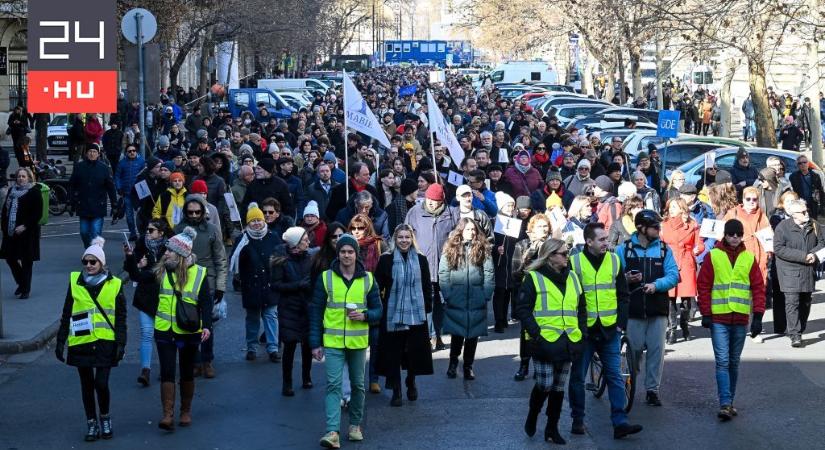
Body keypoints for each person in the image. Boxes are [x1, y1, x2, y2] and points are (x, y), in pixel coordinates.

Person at [567, 223, 643, 439]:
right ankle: (578, 419)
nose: (606, 243)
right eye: (601, 240)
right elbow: (570, 298)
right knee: (578, 377)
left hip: (610, 329)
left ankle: (620, 423)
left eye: (607, 239)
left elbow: (623, 294)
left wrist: (621, 324)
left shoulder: (614, 260)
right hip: (585, 331)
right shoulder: (575, 263)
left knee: (615, 377)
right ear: (588, 242)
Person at [309, 234, 382, 448]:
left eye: (350, 251)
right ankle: (332, 431)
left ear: (356, 254)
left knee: (358, 386)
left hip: (358, 342)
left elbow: (379, 310)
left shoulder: (368, 279)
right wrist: (315, 343)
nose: (346, 255)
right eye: (343, 252)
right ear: (338, 254)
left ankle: (355, 426)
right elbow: (316, 311)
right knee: (333, 385)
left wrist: (365, 315)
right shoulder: (326, 278)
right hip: (332, 341)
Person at [55, 237, 127, 441]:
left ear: (102, 263)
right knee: (86, 385)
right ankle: (91, 423)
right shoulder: (74, 282)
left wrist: (121, 343)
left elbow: (121, 317)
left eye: (92, 262)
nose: (88, 265)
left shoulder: (115, 284)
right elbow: (67, 312)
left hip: (105, 342)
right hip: (81, 342)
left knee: (101, 384)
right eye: (85, 262)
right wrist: (61, 342)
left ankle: (105, 417)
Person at [516, 239, 586, 445]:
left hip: (568, 341)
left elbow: (581, 308)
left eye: (568, 253)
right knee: (545, 384)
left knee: (558, 387)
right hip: (544, 342)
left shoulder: (573, 277)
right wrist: (537, 334)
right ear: (550, 256)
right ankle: (533, 414)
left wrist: (581, 333)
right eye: (563, 254)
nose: (567, 257)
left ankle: (551, 428)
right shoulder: (533, 278)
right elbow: (523, 309)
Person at [697, 219, 766, 420]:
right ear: (724, 235)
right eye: (731, 234)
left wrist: (758, 317)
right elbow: (704, 285)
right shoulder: (713, 256)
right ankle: (725, 403)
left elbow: (758, 288)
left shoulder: (748, 258)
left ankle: (730, 401)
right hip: (719, 318)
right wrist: (706, 313)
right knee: (723, 361)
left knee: (734, 362)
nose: (734, 238)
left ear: (741, 235)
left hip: (741, 319)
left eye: (738, 234)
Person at [616, 210, 679, 407]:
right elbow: (614, 278)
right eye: (655, 227)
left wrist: (656, 285)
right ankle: (630, 382)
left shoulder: (664, 250)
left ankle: (652, 390)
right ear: (641, 228)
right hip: (633, 310)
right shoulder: (623, 249)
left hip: (657, 309)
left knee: (656, 351)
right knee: (633, 351)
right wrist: (626, 279)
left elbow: (674, 275)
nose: (659, 231)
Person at [152, 227, 212, 431]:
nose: (165, 253)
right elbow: (146, 289)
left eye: (169, 250)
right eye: (166, 249)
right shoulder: (161, 270)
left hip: (189, 330)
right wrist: (131, 260)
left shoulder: (199, 273)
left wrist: (207, 326)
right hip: (164, 329)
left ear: (180, 253)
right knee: (167, 370)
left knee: (187, 371)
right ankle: (167, 414)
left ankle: (185, 411)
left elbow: (206, 302)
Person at [375, 224, 434, 406]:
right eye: (400, 237)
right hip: (393, 313)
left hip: (416, 314)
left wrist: (427, 307)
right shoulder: (386, 260)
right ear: (395, 239)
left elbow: (426, 285)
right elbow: (378, 287)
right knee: (394, 352)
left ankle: (411, 380)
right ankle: (396, 390)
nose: (404, 241)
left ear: (412, 239)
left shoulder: (421, 260)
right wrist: (380, 308)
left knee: (413, 352)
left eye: (407, 237)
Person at [176, 196, 228, 378]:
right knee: (188, 321)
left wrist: (221, 286)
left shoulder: (212, 230)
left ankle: (207, 360)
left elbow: (221, 259)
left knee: (207, 323)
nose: (194, 215)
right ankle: (195, 360)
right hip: (186, 280)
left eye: (197, 212)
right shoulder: (179, 229)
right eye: (190, 212)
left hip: (208, 280)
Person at [405, 183, 459, 350]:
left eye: (436, 201)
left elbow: (458, 235)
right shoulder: (414, 212)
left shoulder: (451, 213)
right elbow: (406, 235)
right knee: (426, 303)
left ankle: (439, 334)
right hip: (423, 266)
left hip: (445, 267)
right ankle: (431, 336)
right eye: (430, 200)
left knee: (442, 304)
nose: (432, 204)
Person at [439, 217, 494, 380]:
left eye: (473, 230)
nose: (471, 232)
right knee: (457, 333)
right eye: (468, 229)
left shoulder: (483, 248)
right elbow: (443, 274)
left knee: (473, 335)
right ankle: (453, 363)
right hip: (457, 297)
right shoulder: (450, 248)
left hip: (477, 298)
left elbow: (489, 273)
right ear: (461, 230)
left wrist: (486, 294)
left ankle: (468, 366)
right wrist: (448, 294)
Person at [230, 203, 281, 362]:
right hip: (251, 286)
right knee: (252, 318)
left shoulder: (273, 237)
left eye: (259, 220)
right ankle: (251, 347)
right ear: (248, 223)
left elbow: (281, 259)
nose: (257, 223)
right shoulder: (242, 240)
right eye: (253, 221)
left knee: (271, 316)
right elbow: (235, 263)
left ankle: (273, 348)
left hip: (270, 284)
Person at [123, 219, 170, 386]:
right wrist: (132, 259)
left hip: (165, 297)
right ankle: (145, 370)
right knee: (146, 333)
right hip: (145, 296)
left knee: (163, 336)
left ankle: (166, 368)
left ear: (161, 233)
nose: (148, 233)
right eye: (147, 230)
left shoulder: (170, 248)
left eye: (151, 230)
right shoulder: (142, 245)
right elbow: (132, 272)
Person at [773, 199, 825, 347]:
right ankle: (795, 334)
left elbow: (821, 243)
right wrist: (803, 256)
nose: (806, 213)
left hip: (808, 270)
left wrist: (813, 255)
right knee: (792, 302)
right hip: (789, 271)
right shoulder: (782, 227)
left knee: (806, 302)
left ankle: (800, 329)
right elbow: (779, 249)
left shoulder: (813, 224)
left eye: (806, 210)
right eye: (802, 212)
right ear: (792, 214)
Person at [272, 226, 316, 395]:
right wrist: (298, 285)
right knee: (289, 345)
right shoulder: (280, 259)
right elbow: (276, 285)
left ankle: (306, 376)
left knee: (307, 344)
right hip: (289, 308)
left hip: (306, 306)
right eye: (305, 240)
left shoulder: (310, 258)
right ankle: (287, 382)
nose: (308, 242)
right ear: (296, 243)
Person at [511, 213, 553, 381]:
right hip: (528, 293)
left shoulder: (553, 246)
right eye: (539, 226)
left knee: (546, 328)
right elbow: (515, 273)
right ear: (531, 230)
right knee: (526, 330)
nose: (543, 230)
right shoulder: (522, 245)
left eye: (545, 226)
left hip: (548, 294)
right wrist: (528, 256)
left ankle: (540, 363)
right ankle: (524, 364)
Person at [660, 198, 704, 344]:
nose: (671, 209)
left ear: (682, 208)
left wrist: (698, 249)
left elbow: (700, 243)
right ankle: (672, 329)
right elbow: (658, 243)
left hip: (686, 261)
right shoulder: (664, 225)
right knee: (670, 298)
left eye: (674, 207)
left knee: (686, 298)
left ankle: (684, 323)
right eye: (669, 207)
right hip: (669, 262)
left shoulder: (692, 224)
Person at [0, 167, 42, 299]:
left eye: (24, 176)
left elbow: (37, 213)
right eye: (19, 176)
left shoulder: (34, 192)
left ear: (29, 178)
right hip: (11, 231)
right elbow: (5, 210)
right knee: (10, 258)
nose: (21, 179)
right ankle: (21, 282)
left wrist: (25, 226)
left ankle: (25, 289)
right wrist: (5, 227)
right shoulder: (12, 191)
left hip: (27, 232)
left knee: (26, 261)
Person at [69, 144, 118, 248]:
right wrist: (71, 202)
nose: (92, 154)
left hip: (98, 206)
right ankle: (89, 250)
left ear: (98, 154)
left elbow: (111, 187)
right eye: (90, 151)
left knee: (95, 232)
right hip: (83, 205)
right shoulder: (79, 167)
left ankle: (96, 255)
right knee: (84, 232)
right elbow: (72, 185)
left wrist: (114, 204)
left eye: (94, 152)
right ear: (86, 153)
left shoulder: (104, 168)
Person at [723, 187, 770, 281]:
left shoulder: (762, 216)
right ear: (743, 199)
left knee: (756, 290)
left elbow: (768, 240)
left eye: (754, 199)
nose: (751, 201)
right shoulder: (732, 214)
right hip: (736, 256)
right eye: (748, 199)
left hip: (758, 257)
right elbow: (721, 236)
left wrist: (767, 255)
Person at [492, 192, 518, 332]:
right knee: (500, 291)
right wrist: (497, 248)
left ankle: (504, 318)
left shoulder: (514, 221)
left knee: (508, 290)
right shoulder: (496, 221)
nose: (510, 207)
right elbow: (491, 242)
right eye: (508, 205)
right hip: (499, 262)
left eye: (512, 205)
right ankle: (498, 320)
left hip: (511, 260)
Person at [115, 144, 146, 241]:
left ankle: (143, 233)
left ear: (136, 151)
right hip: (127, 193)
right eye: (129, 151)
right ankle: (132, 233)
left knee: (142, 215)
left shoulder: (142, 162)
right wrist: (119, 187)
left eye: (134, 150)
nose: (132, 152)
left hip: (140, 193)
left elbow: (146, 175)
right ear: (126, 153)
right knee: (129, 215)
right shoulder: (122, 163)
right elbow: (117, 176)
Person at [789, 155, 823, 220]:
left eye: (804, 162)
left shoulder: (815, 175)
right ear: (797, 165)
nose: (803, 164)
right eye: (800, 163)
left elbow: (820, 190)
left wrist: (821, 206)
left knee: (813, 222)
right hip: (800, 205)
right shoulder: (793, 177)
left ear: (808, 163)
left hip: (813, 205)